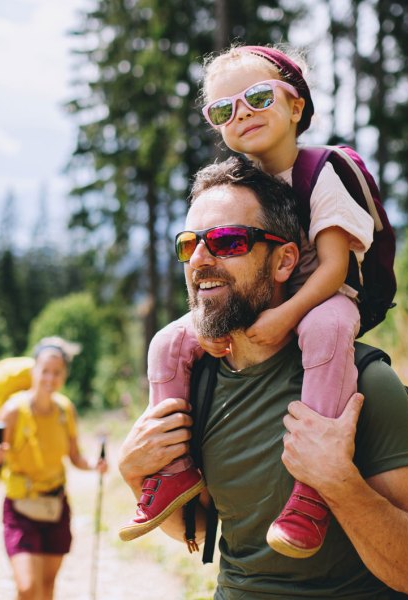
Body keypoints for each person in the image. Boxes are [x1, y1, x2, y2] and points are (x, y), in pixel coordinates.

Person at [118, 158, 408, 598]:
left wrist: (339, 483)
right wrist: (134, 474)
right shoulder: (197, 382)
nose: (200, 259)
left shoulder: (364, 385)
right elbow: (201, 529)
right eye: (189, 244)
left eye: (228, 241)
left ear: (284, 261)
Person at [120, 43, 375, 561]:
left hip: (326, 296)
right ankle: (172, 470)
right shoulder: (245, 182)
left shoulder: (322, 172)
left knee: (324, 329)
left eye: (258, 97)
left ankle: (312, 486)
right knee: (169, 341)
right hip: (266, 299)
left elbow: (334, 267)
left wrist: (284, 315)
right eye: (223, 109)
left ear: (296, 105)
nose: (242, 114)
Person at [0, 336, 108, 600]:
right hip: (20, 508)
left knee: (47, 587)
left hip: (55, 507)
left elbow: (75, 457)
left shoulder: (65, 410)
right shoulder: (13, 410)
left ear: (64, 375)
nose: (50, 378)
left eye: (57, 372)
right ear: (34, 371)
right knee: (28, 587)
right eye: (45, 371)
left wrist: (94, 465)